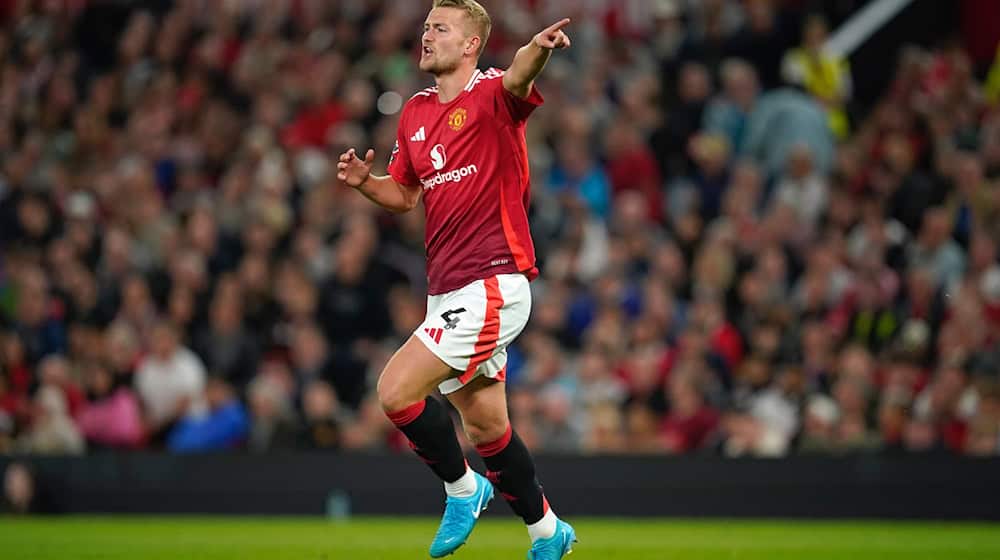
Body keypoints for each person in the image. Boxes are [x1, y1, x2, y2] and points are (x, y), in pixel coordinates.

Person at [335, 1, 576, 558]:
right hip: (448, 291)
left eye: (439, 28)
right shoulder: (415, 113)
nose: (426, 35)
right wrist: (365, 183)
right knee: (489, 428)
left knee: (395, 391)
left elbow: (518, 74)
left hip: (493, 282)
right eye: (424, 26)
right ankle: (547, 532)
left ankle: (463, 490)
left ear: (470, 44)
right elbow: (404, 194)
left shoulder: (493, 95)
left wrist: (536, 51)